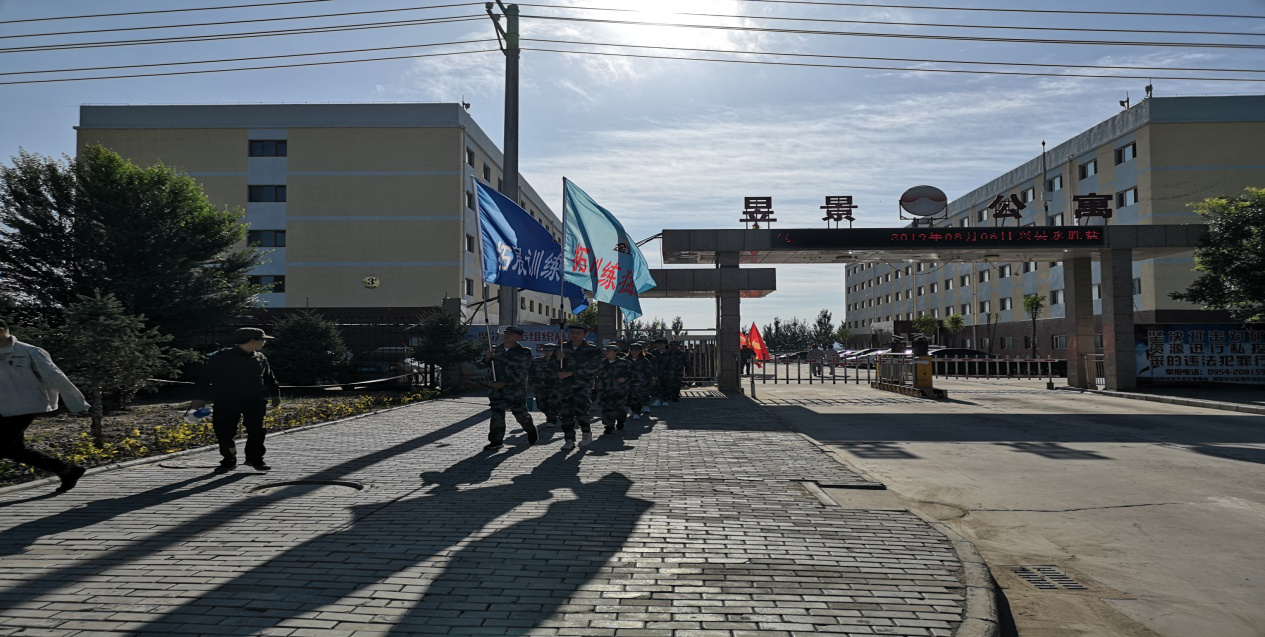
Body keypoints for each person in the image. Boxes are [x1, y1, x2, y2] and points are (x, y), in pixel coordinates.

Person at [0, 318, 91, 492]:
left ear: (5, 330)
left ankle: (67, 471)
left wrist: (77, 403)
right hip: (2, 408)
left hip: (24, 406)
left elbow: (55, 376)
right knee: (14, 450)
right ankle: (67, 471)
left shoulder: (28, 351)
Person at [190, 327, 282, 472]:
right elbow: (205, 379)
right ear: (252, 341)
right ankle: (228, 459)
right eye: (262, 339)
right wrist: (199, 399)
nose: (264, 342)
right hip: (226, 400)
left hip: (254, 400)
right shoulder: (221, 357)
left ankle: (255, 459)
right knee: (224, 432)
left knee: (257, 431)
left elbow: (269, 378)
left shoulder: (260, 357)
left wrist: (275, 395)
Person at [476, 326, 538, 450]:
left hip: (515, 390)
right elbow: (479, 366)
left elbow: (522, 372)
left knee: (520, 414)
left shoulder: (524, 352)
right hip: (496, 390)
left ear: (518, 337)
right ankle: (496, 441)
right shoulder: (495, 350)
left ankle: (530, 429)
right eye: (506, 333)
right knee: (497, 414)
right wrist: (487, 358)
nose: (507, 335)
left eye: (511, 333)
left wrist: (504, 383)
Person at [556, 324, 602, 450]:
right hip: (564, 386)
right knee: (565, 413)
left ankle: (586, 432)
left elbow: (594, 367)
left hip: (582, 385)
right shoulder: (561, 348)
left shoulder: (592, 350)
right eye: (572, 332)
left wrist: (571, 373)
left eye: (578, 333)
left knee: (581, 412)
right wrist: (557, 359)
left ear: (585, 334)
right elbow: (550, 367)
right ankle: (569, 439)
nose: (574, 335)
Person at [595, 344, 632, 434]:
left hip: (620, 390)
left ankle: (620, 420)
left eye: (609, 351)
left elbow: (631, 374)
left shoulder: (624, 363)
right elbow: (595, 375)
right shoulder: (601, 364)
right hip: (605, 389)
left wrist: (625, 378)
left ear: (615, 352)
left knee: (619, 407)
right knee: (606, 408)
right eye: (605, 351)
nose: (606, 352)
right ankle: (609, 425)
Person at [529, 343, 562, 428]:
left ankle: (551, 420)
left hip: (554, 386)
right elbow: (531, 372)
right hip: (540, 386)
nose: (547, 352)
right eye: (545, 351)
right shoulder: (536, 361)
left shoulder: (560, 361)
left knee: (552, 403)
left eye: (550, 351)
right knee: (541, 405)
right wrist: (530, 383)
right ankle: (552, 414)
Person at [624, 342, 654, 421]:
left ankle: (636, 412)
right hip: (627, 383)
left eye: (637, 350)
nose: (634, 352)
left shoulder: (644, 361)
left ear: (641, 351)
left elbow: (649, 372)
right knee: (629, 398)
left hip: (640, 383)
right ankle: (632, 410)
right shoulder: (625, 360)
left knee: (638, 397)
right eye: (632, 350)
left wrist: (650, 380)